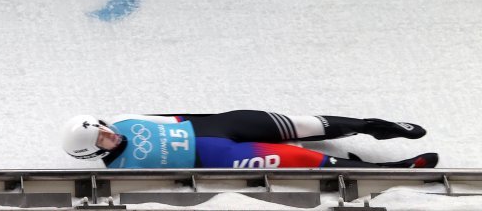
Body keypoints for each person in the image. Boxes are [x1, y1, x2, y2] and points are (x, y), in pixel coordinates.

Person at [61, 110, 438, 169]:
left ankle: (373, 124)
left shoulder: (128, 120)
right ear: (93, 152)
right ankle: (390, 168)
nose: (111, 136)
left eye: (104, 128)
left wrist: (219, 116)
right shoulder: (122, 167)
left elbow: (176, 114)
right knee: (301, 159)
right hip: (220, 156)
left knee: (301, 123)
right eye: (103, 139)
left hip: (219, 127)